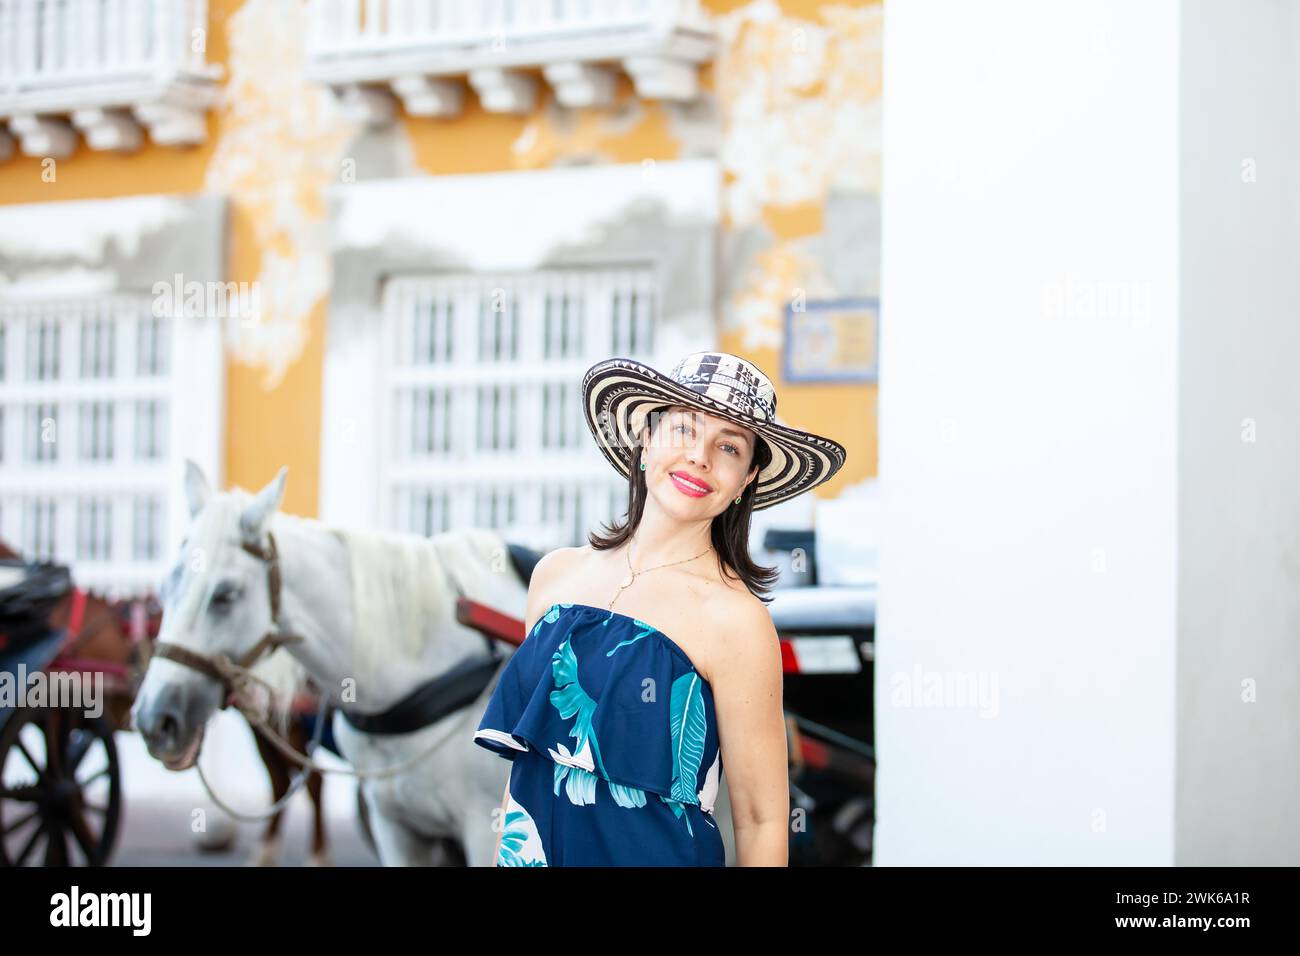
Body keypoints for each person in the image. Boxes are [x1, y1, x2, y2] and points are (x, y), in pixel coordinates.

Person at [472, 351, 847, 866]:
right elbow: (526, 775)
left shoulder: (736, 621)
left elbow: (761, 819)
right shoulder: (554, 577)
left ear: (745, 480)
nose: (700, 456)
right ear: (647, 439)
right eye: (685, 429)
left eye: (729, 447)